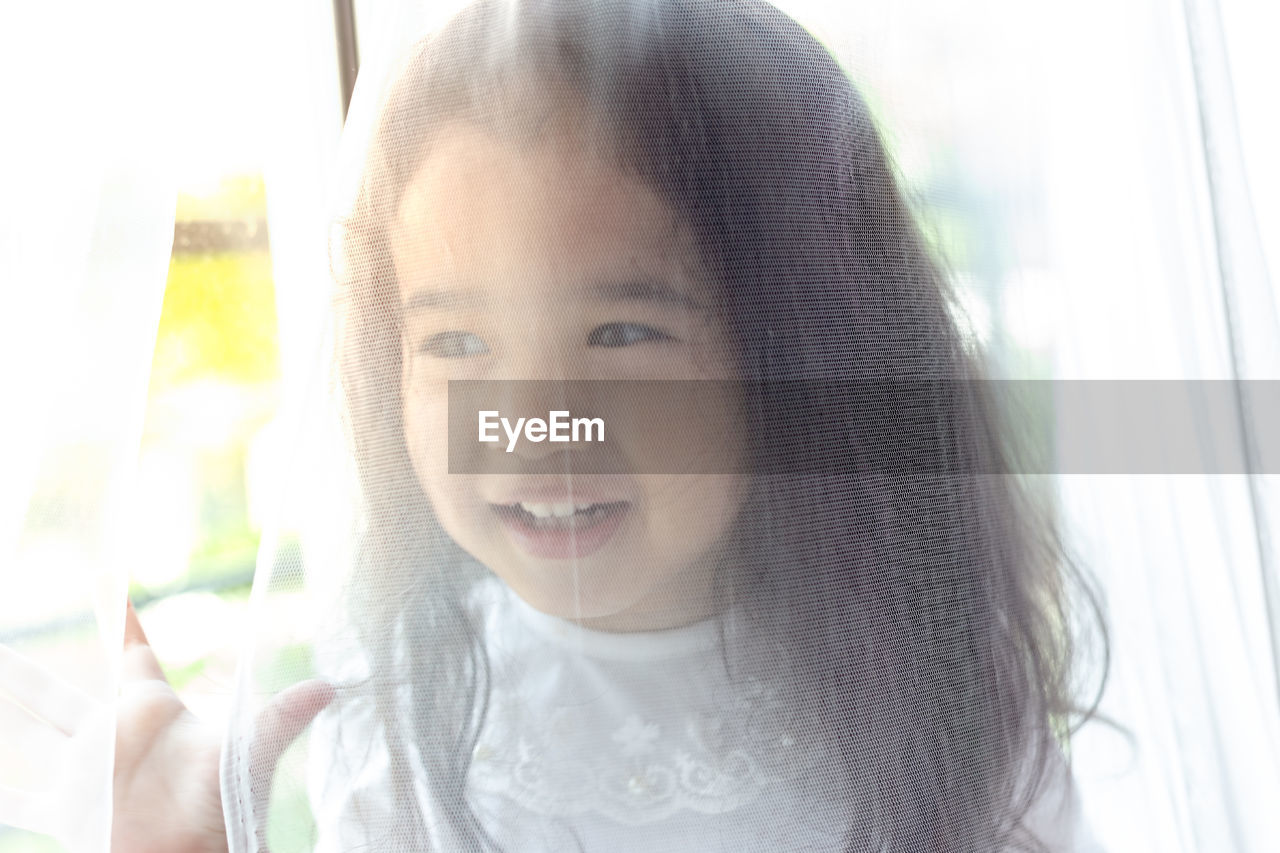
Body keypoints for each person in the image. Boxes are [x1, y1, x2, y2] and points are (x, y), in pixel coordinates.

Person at [108, 0, 1109, 850]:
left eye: (620, 332)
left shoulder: (934, 688)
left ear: (799, 356)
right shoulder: (406, 721)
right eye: (457, 345)